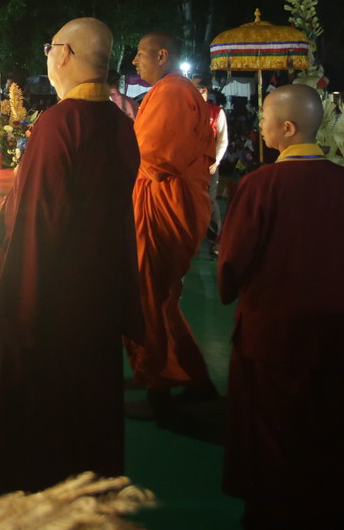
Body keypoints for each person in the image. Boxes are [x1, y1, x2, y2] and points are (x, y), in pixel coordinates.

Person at [0, 17, 141, 492]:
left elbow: (36, 226)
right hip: (99, 299)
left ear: (65, 54)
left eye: (50, 48)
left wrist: (14, 298)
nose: (48, 57)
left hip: (53, 309)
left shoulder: (59, 124)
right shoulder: (119, 123)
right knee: (91, 418)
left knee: (46, 428)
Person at [219, 83, 344, 529]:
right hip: (338, 332)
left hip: (274, 333)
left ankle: (274, 513)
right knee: (328, 428)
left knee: (273, 431)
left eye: (265, 118)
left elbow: (232, 261)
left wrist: (233, 287)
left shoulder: (260, 184)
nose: (260, 125)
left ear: (287, 128)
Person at [123, 31, 217, 419]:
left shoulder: (174, 92)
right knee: (155, 296)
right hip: (160, 201)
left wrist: (111, 158)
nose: (134, 61)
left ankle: (160, 388)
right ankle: (190, 379)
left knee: (152, 296)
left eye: (140, 54)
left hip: (167, 203)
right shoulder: (167, 90)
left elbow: (156, 158)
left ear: (162, 55)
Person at [192, 78, 230, 250]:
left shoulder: (216, 112)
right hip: (188, 164)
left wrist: (216, 161)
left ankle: (216, 238)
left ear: (204, 90)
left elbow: (222, 139)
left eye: (194, 87)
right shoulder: (186, 110)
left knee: (209, 200)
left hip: (209, 165)